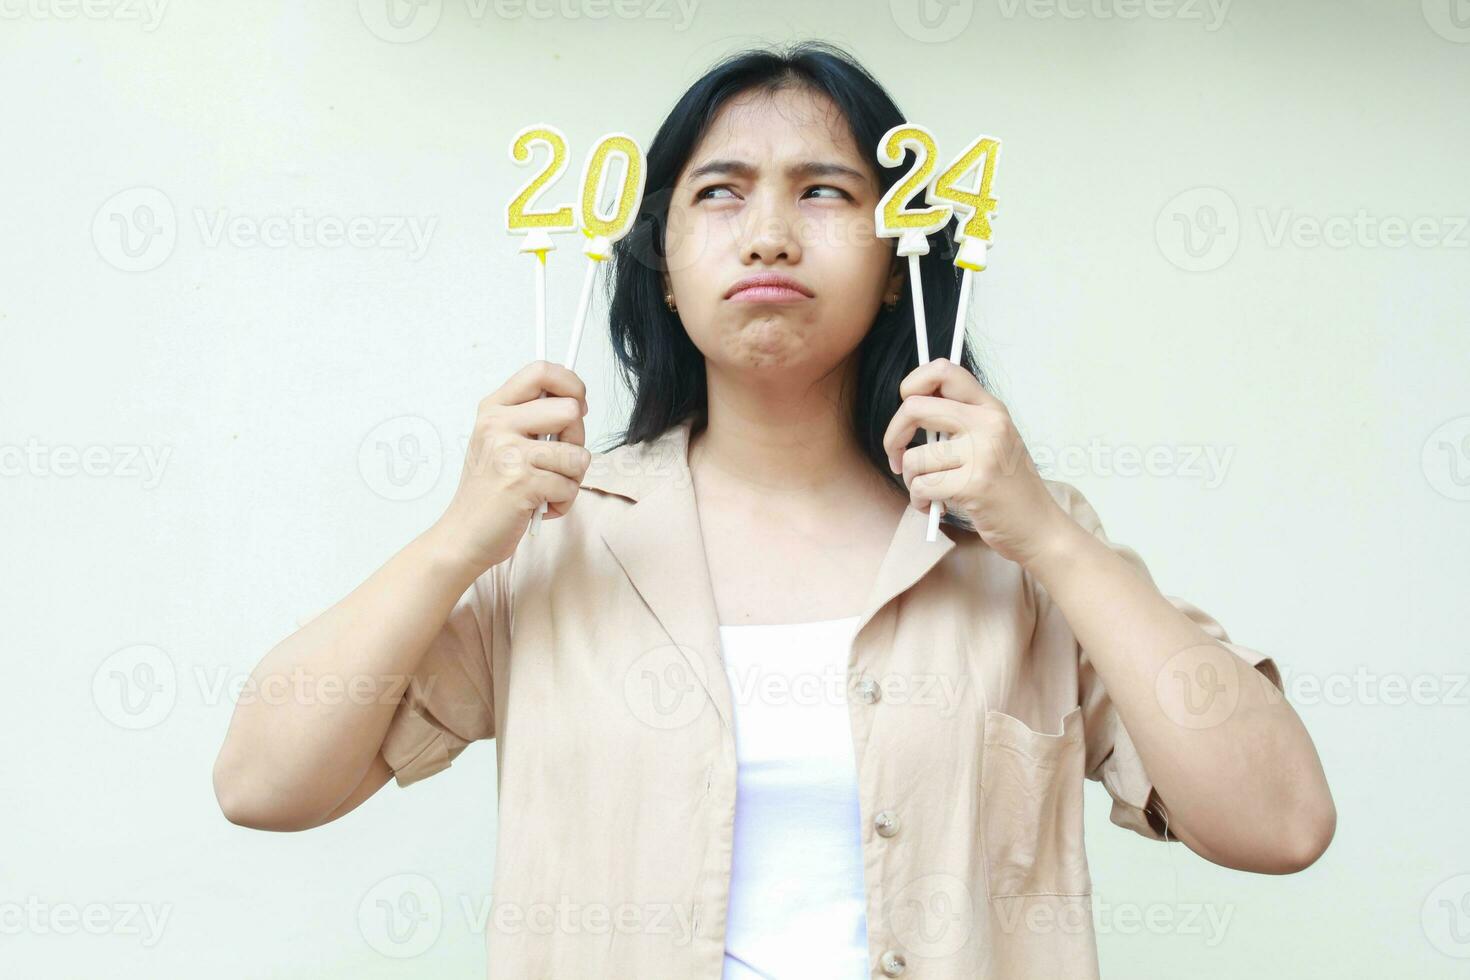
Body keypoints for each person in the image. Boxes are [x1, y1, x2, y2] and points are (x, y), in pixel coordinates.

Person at [212, 40, 1335, 980]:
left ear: (900, 260)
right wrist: (463, 532)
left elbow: (1281, 822)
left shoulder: (1019, 543)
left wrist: (1048, 534)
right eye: (720, 191)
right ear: (659, 266)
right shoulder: (562, 532)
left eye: (825, 191)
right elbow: (263, 783)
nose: (768, 234)